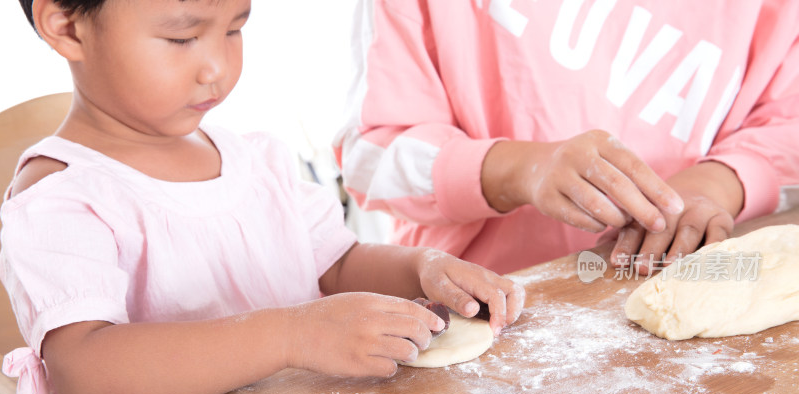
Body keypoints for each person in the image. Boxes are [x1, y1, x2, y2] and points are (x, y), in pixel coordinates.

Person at [0, 0, 524, 394]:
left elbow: (337, 264)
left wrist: (421, 268)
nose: (218, 68)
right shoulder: (62, 197)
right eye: (182, 37)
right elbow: (87, 372)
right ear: (66, 26)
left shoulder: (255, 158)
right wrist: (292, 335)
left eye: (234, 28)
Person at [335, 0, 799, 276]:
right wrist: (518, 170)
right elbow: (372, 153)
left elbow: (785, 129)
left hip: (672, 280)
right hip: (480, 305)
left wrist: (713, 185)